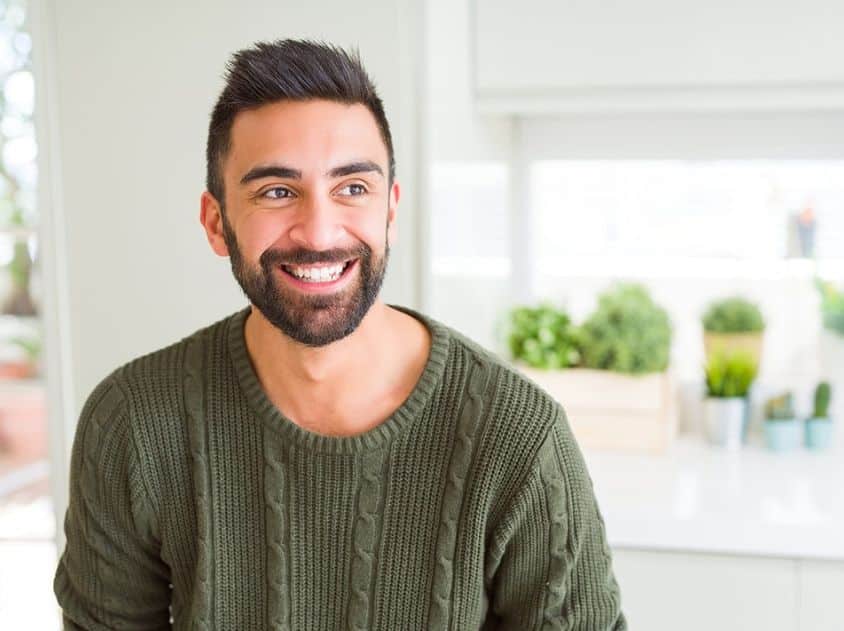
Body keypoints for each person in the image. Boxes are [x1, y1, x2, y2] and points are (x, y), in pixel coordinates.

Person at [53, 38, 627, 630]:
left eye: (352, 187)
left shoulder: (519, 438)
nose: (320, 231)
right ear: (216, 222)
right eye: (277, 191)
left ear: (391, 211)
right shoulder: (133, 423)